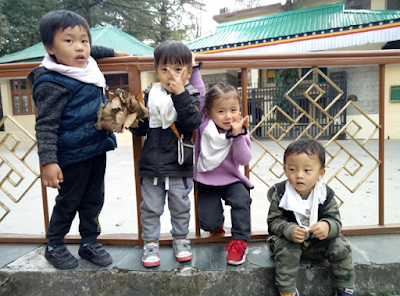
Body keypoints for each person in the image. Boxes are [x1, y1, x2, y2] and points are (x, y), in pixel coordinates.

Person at [28, 10, 130, 270]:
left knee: (94, 199)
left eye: (84, 40)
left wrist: (116, 54)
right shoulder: (52, 81)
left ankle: (89, 242)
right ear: (50, 47)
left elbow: (94, 50)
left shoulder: (86, 66)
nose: (79, 47)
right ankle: (55, 244)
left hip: (96, 149)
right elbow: (46, 126)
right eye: (69, 41)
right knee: (69, 201)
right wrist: (49, 162)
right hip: (71, 155)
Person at [130, 40, 202, 267]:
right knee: (150, 207)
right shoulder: (149, 95)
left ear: (189, 73)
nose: (171, 75)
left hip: (179, 164)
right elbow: (141, 128)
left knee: (180, 207)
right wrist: (130, 119)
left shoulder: (190, 94)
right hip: (152, 164)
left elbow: (192, 122)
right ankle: (150, 243)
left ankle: (181, 240)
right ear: (156, 71)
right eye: (164, 69)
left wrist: (179, 93)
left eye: (178, 69)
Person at [267, 139, 356, 296]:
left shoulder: (325, 194)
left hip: (316, 243)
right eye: (293, 169)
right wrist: (289, 229)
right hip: (288, 243)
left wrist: (327, 226)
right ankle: (287, 292)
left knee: (340, 244)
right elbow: (273, 221)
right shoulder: (280, 193)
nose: (299, 175)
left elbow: (336, 221)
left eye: (307, 170)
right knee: (287, 249)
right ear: (285, 169)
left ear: (321, 173)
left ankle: (345, 288)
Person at [194, 82, 253, 265]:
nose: (228, 116)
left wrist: (238, 137)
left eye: (234, 110)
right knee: (209, 224)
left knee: (241, 200)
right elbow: (200, 95)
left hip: (231, 179)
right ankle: (216, 222)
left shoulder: (240, 131)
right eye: (221, 111)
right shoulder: (205, 126)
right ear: (208, 113)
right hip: (207, 181)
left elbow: (243, 160)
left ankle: (240, 241)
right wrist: (194, 69)